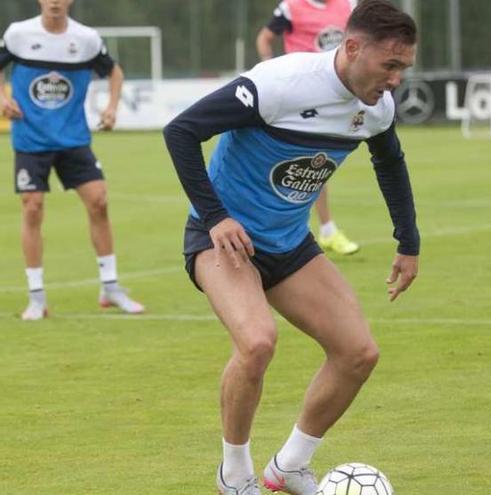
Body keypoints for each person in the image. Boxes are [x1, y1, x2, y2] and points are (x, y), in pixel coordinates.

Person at [163, 1, 419, 493]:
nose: (396, 80)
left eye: (403, 68)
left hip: (289, 243)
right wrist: (216, 216)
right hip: (224, 241)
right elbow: (181, 131)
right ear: (351, 48)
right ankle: (234, 473)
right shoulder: (280, 83)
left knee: (358, 353)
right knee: (257, 343)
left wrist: (408, 242)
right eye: (389, 65)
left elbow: (391, 164)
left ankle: (290, 465)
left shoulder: (377, 108)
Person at [0, 0, 144, 320]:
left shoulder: (87, 39)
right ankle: (36, 297)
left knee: (99, 201)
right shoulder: (19, 34)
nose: (54, 1)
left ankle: (110, 287)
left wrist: (111, 107)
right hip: (31, 139)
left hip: (73, 138)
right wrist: (2, 97)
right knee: (32, 205)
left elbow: (115, 72)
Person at [255, 0, 361, 256]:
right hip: (300, 94)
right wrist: (270, 70)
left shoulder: (348, 4)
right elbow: (264, 38)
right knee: (307, 158)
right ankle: (322, 229)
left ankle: (319, 230)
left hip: (336, 94)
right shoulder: (291, 7)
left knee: (314, 159)